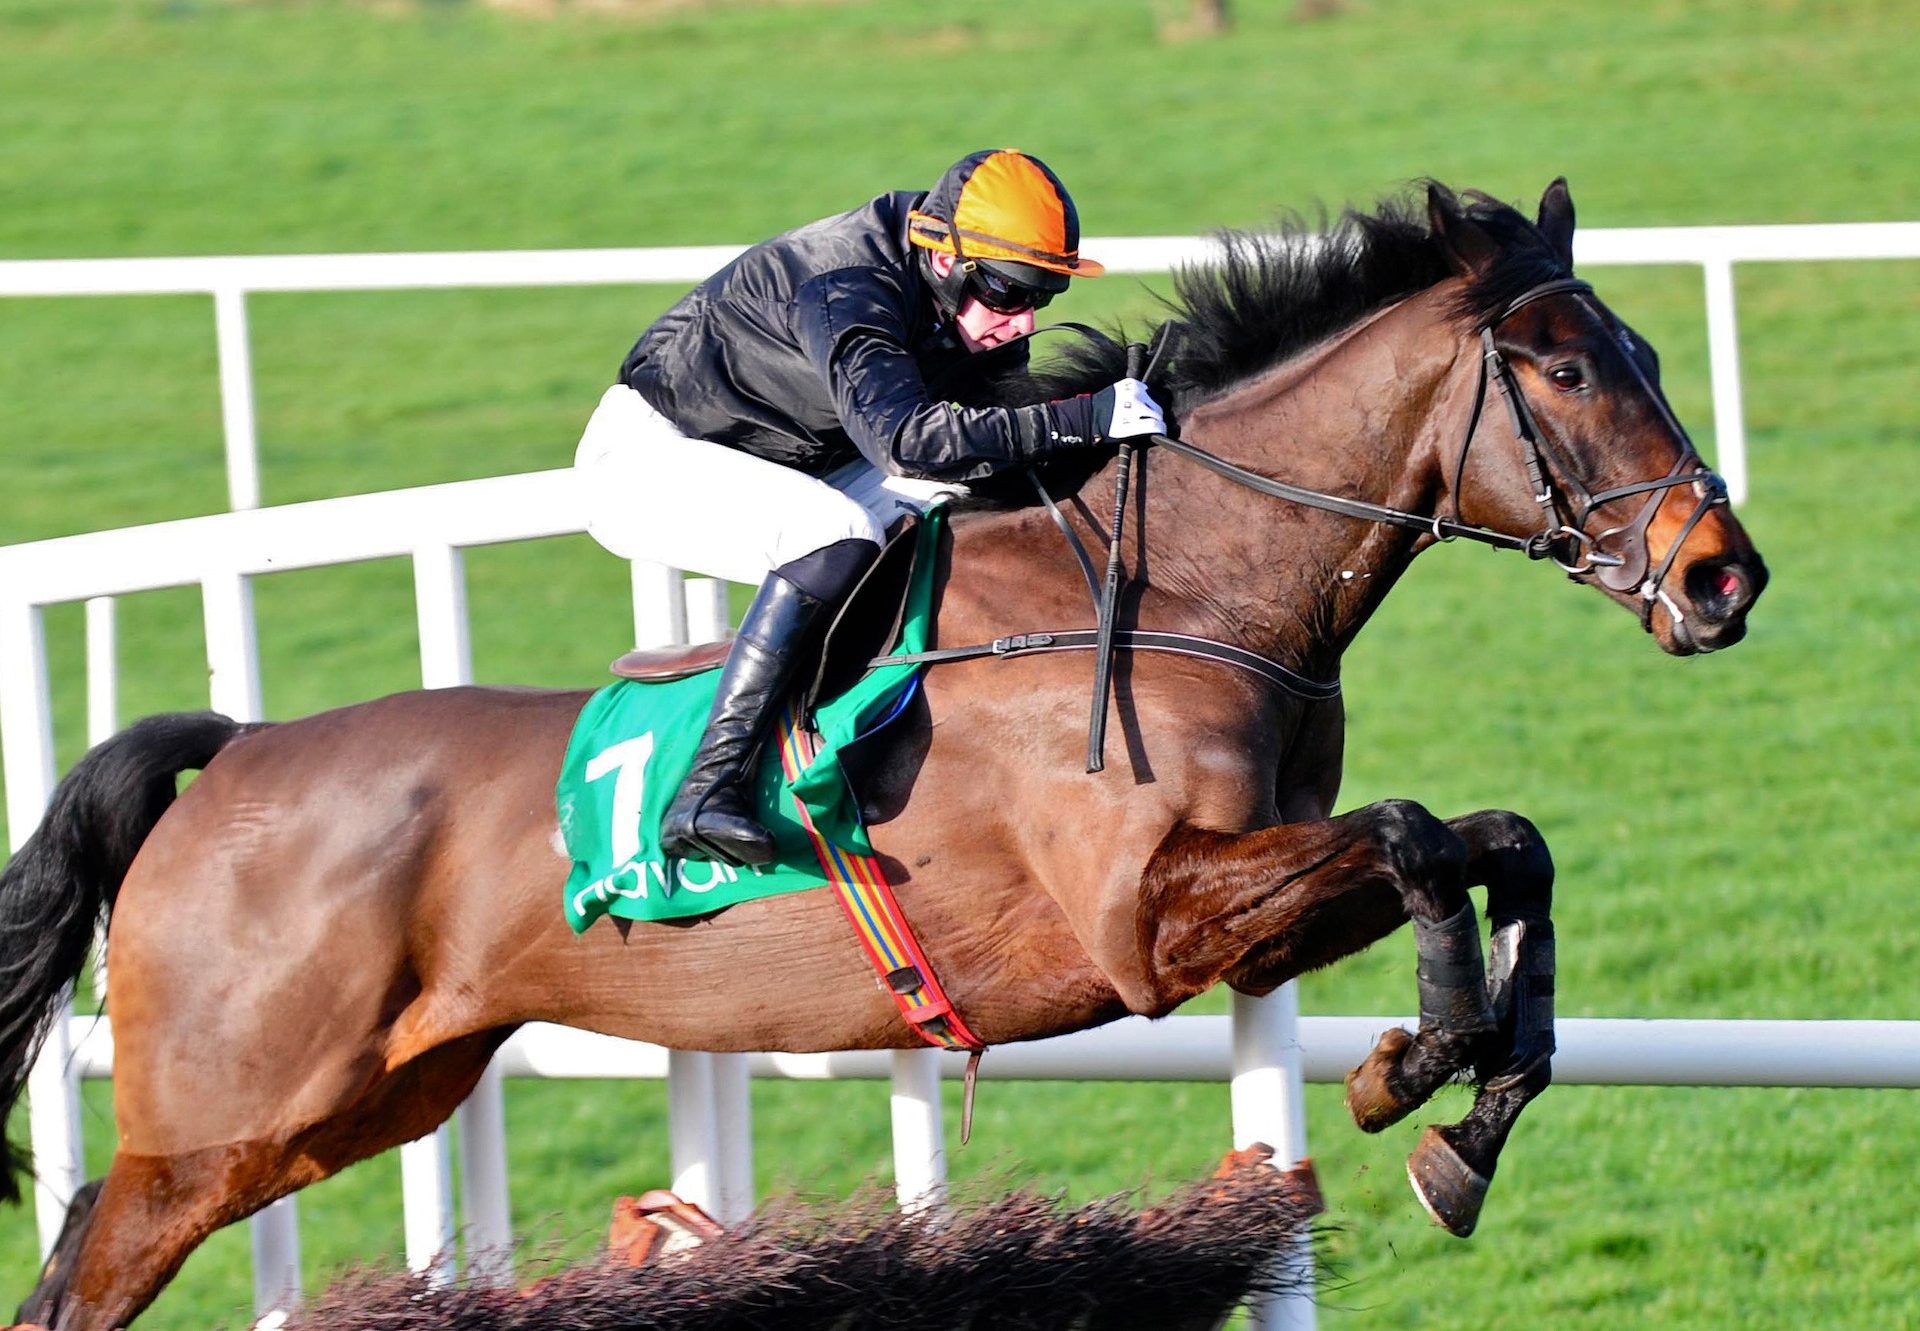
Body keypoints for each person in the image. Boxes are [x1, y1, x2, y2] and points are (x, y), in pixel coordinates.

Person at [574, 148, 1165, 868]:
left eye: (1044, 295)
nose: (1023, 321)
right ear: (946, 259)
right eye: (1011, 292)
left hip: (800, 453)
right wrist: (1083, 417)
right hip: (650, 459)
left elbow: (985, 436)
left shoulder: (960, 294)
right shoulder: (848, 286)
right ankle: (708, 786)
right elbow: (911, 441)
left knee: (954, 501)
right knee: (835, 531)